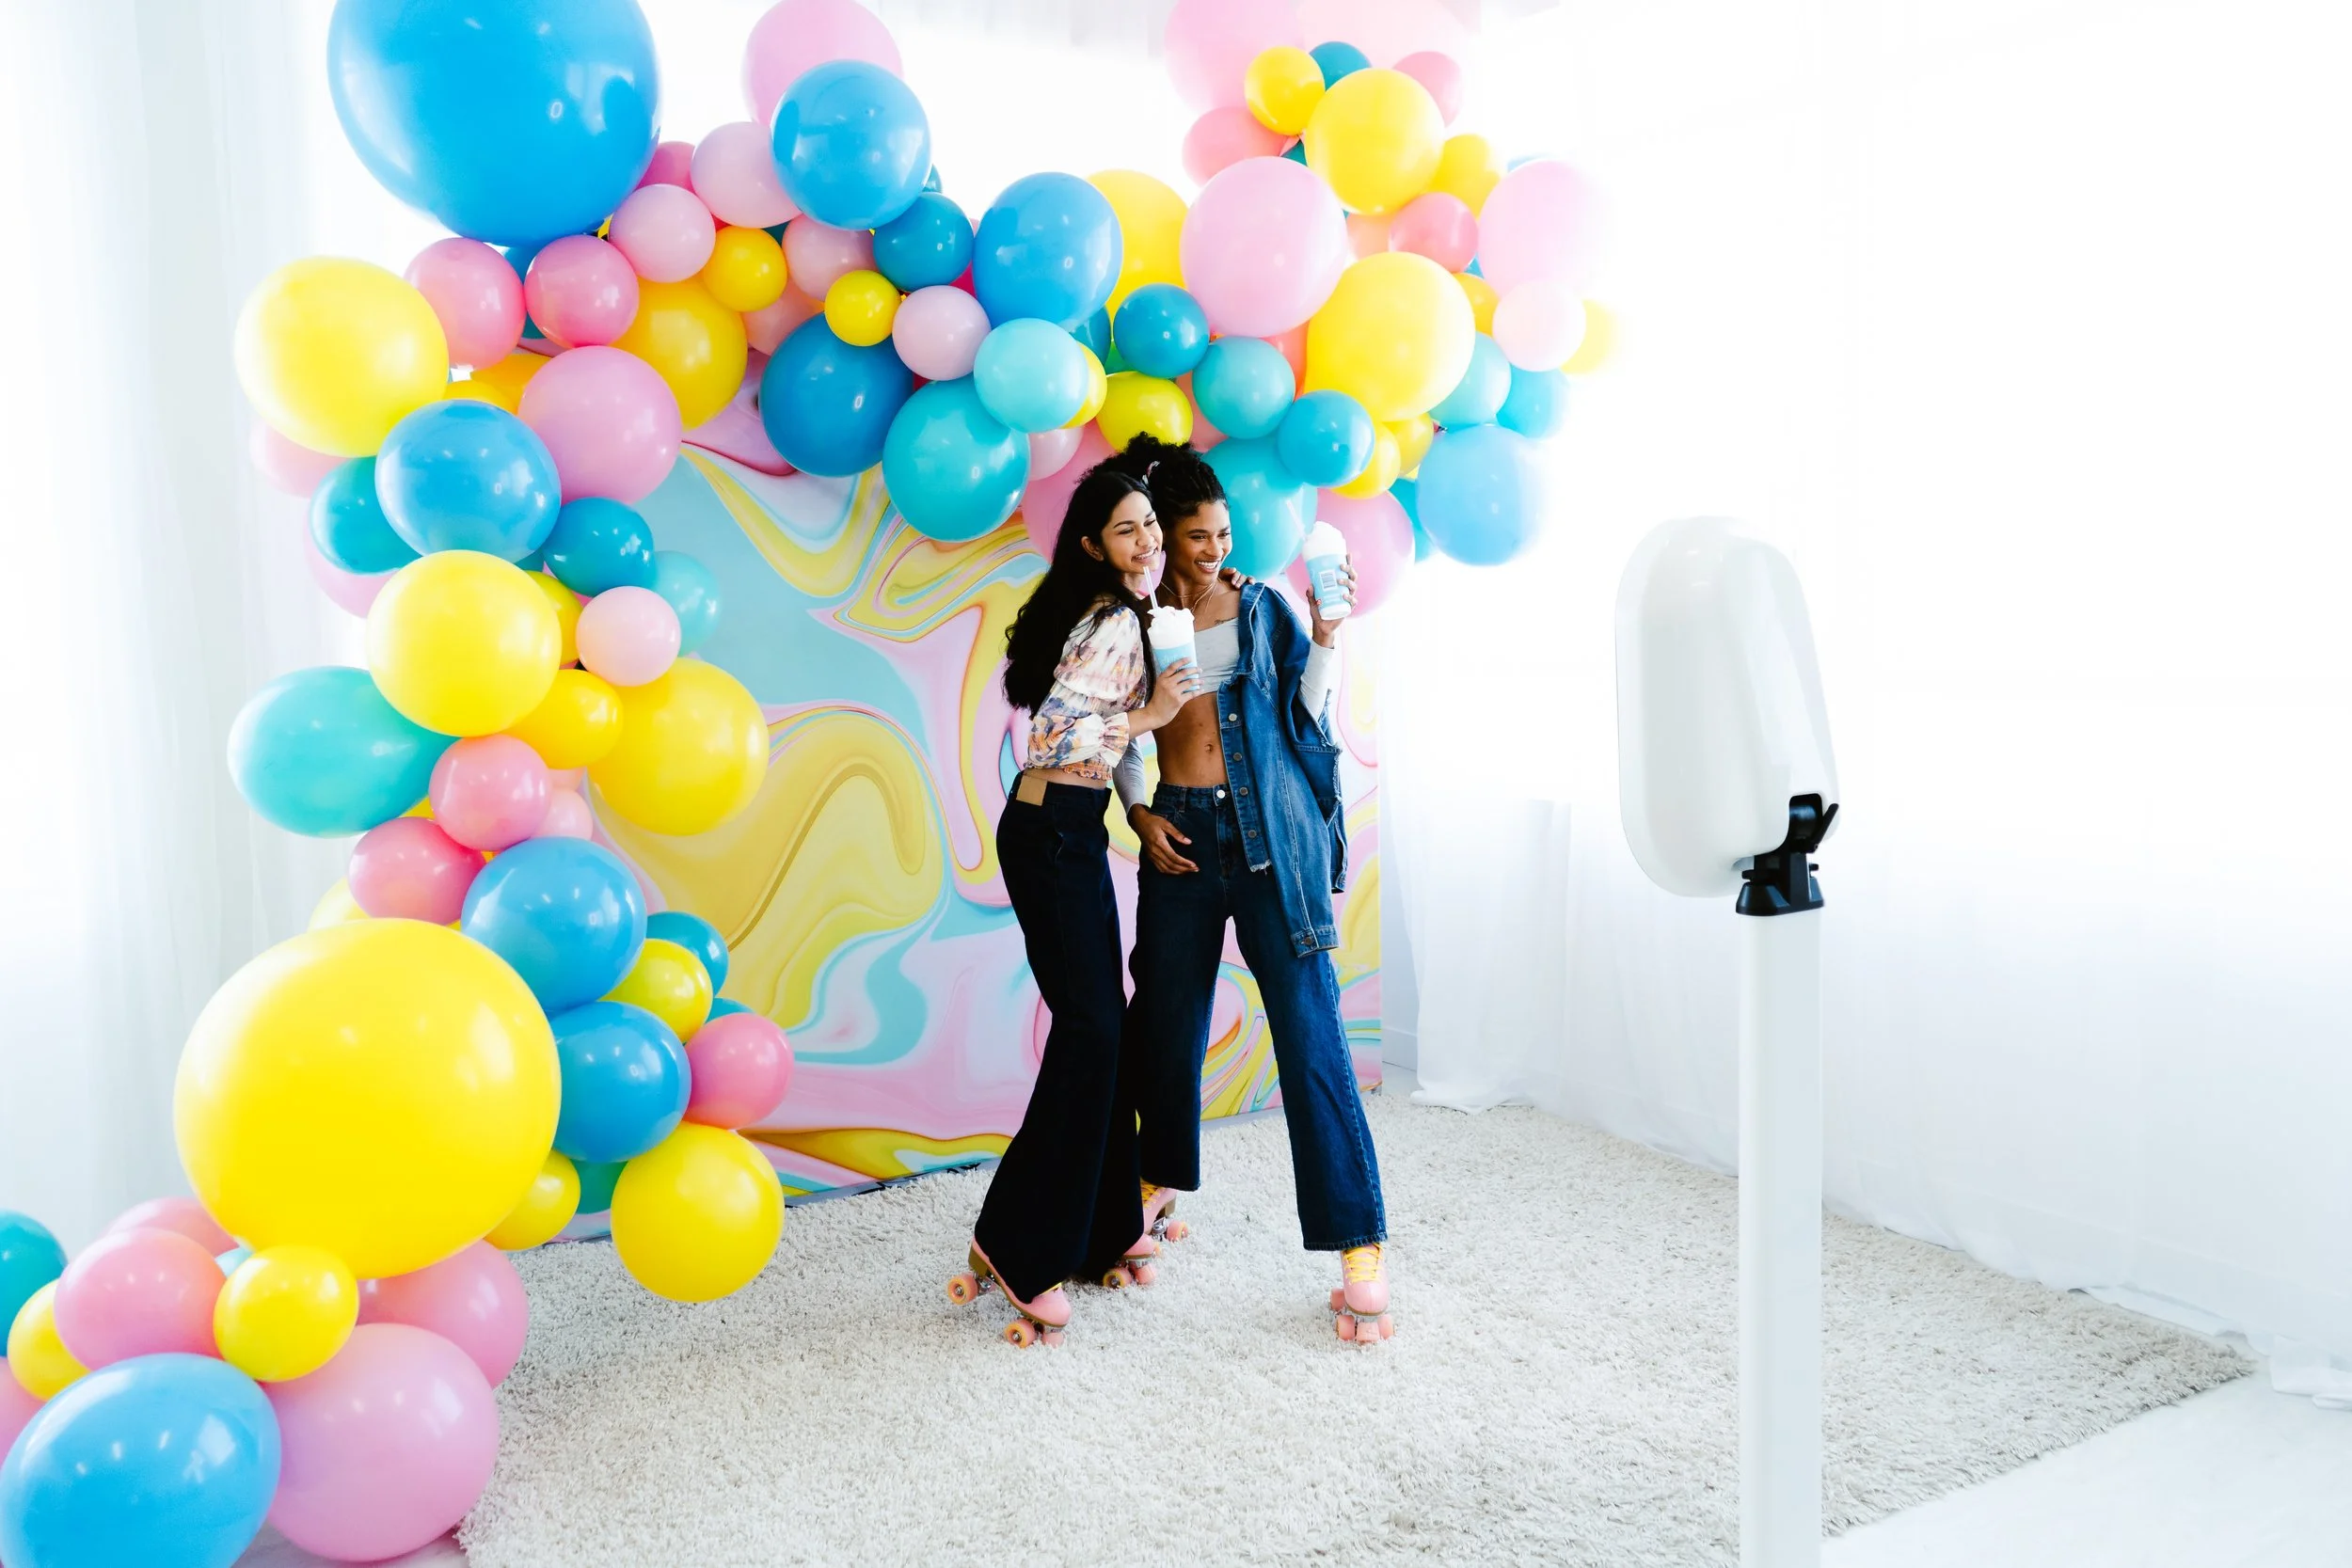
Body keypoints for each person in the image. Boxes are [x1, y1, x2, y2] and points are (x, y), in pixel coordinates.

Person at [1110, 436, 1393, 1343]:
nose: (1214, 550)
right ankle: (1155, 1184)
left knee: (1310, 1030)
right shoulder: (1131, 620)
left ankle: (1359, 1239)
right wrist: (1141, 813)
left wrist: (1329, 635)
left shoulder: (1263, 606)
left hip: (1272, 838)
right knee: (1166, 1020)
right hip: (1182, 834)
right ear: (1160, 537)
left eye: (1224, 532)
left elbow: (1309, 713)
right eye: (1197, 536)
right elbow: (1114, 729)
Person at [953, 460, 1203, 1347]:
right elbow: (1051, 731)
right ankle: (1022, 1242)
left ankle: (1102, 1227)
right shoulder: (1111, 621)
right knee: (1095, 1031)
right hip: (1052, 835)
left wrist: (1133, 796)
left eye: (1150, 526)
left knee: (1104, 1028)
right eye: (1127, 529)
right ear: (1095, 543)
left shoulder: (1128, 615)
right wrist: (1152, 714)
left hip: (1073, 828)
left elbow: (1092, 736)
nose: (1145, 542)